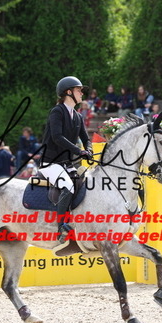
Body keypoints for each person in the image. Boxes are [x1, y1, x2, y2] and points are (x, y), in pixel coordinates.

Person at [40, 76, 92, 243]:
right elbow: (57, 137)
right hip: (50, 163)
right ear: (69, 92)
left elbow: (86, 138)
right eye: (79, 90)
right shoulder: (57, 112)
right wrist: (78, 151)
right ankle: (61, 227)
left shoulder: (78, 116)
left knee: (85, 184)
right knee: (68, 186)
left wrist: (89, 150)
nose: (82, 93)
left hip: (66, 164)